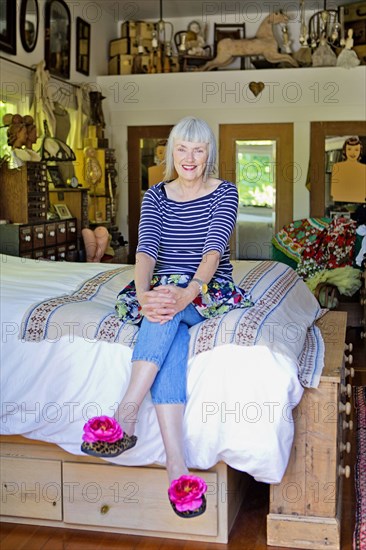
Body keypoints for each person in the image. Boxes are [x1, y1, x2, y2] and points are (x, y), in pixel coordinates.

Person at [80, 116, 253, 518]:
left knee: (165, 312)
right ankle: (178, 466)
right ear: (171, 153)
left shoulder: (224, 192)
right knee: (168, 331)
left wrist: (187, 293)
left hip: (204, 289)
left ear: (209, 153)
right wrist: (143, 295)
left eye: (198, 149)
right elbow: (146, 250)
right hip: (160, 290)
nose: (189, 158)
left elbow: (214, 248)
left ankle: (125, 414)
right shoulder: (156, 195)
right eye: (182, 148)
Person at [331, 136, 366, 203]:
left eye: (356, 150)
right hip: (341, 204)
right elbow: (334, 193)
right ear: (345, 151)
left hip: (360, 205)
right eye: (349, 149)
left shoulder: (364, 168)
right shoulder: (337, 167)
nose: (353, 153)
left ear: (360, 151)